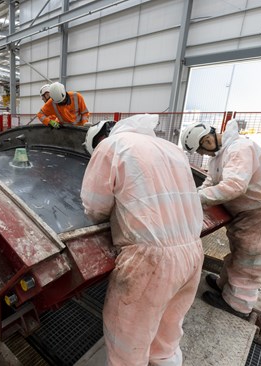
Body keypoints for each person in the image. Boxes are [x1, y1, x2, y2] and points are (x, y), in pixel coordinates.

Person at [81, 115, 204, 366]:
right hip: (192, 251)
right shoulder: (171, 149)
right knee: (167, 331)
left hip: (150, 261)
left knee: (128, 339)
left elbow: (95, 207)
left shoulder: (110, 147)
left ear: (99, 140)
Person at [181, 119, 261, 319]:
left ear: (207, 140)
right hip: (248, 214)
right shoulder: (219, 157)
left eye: (201, 150)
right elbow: (211, 181)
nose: (203, 155)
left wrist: (197, 198)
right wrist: (193, 196)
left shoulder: (240, 149)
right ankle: (226, 287)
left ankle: (239, 305)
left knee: (251, 260)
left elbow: (234, 186)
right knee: (239, 254)